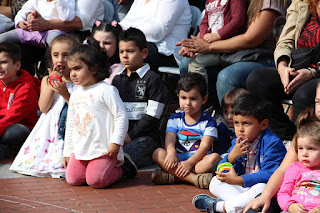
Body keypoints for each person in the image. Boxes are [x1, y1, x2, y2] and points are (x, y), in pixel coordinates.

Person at [177, 0, 289, 107]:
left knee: (227, 76)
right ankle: (203, 114)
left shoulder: (269, 2)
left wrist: (208, 46)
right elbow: (215, 22)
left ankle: (229, 121)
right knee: (186, 64)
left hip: (261, 57)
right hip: (232, 54)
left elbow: (251, 39)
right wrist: (194, 44)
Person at [192, 93, 287, 213]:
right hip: (242, 189)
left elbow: (270, 175)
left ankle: (219, 207)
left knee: (262, 187)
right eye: (236, 123)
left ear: (263, 124)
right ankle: (239, 206)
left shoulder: (272, 143)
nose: (240, 129)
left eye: (246, 123)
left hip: (260, 189)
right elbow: (222, 168)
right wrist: (231, 158)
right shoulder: (237, 143)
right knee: (215, 182)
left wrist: (239, 180)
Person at [246, 0, 320, 141]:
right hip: (298, 66)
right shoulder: (301, 3)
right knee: (258, 79)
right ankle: (287, 138)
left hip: (316, 72)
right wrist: (282, 67)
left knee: (304, 94)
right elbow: (285, 41)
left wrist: (312, 72)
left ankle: (309, 143)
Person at [9, 34, 80, 177]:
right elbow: (43, 108)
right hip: (49, 126)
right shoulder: (47, 79)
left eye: (66, 55)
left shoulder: (79, 81)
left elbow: (78, 109)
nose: (60, 60)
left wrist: (64, 93)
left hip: (69, 126)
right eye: (56, 55)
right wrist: (52, 83)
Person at [244, 82, 320, 213]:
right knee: (258, 208)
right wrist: (266, 195)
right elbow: (282, 170)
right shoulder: (307, 134)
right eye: (318, 102)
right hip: (294, 203)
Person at [63, 44, 128, 188]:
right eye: (71, 69)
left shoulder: (107, 90)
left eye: (77, 68)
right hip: (81, 148)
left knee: (96, 181)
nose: (72, 74)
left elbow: (121, 116)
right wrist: (68, 151)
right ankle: (93, 168)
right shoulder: (75, 94)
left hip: (104, 149)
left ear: (94, 68)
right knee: (73, 179)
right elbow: (71, 124)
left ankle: (123, 170)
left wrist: (116, 143)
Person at [152, 73, 221, 189]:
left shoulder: (209, 122)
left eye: (193, 99)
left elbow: (205, 147)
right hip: (177, 159)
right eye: (184, 98)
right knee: (157, 153)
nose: (188, 103)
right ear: (178, 96)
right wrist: (171, 152)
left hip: (198, 160)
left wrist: (190, 163)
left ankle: (174, 176)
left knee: (215, 158)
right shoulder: (175, 118)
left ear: (204, 99)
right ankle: (195, 179)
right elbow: (170, 138)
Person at [112, 28, 165, 169]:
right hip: (121, 136)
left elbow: (153, 116)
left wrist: (130, 135)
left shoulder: (153, 80)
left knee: (119, 160)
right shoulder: (117, 80)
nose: (125, 56)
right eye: (121, 51)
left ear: (144, 53)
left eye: (130, 51)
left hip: (145, 138)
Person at [188, 0, 246, 84]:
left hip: (226, 48)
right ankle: (193, 94)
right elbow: (204, 23)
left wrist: (218, 35)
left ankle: (200, 95)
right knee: (185, 62)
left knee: (195, 64)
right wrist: (204, 37)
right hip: (210, 45)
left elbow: (238, 20)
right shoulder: (209, 1)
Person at [119, 0, 192, 67]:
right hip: (140, 43)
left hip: (165, 52)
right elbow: (126, 22)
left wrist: (128, 33)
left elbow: (157, 31)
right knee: (112, 42)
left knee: (132, 52)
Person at [0, 42, 40, 160]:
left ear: (17, 65)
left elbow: (12, 117)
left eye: (4, 62)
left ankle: (8, 150)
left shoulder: (26, 88)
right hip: (3, 126)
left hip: (19, 128)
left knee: (16, 131)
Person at [276, 110, 320, 212]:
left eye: (311, 149)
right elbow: (283, 192)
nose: (304, 153)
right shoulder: (295, 168)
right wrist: (290, 206)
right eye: (300, 148)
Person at [0, 0, 76, 48]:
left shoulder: (65, 1)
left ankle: (51, 69)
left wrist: (59, 1)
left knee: (56, 44)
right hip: (31, 30)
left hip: (51, 31)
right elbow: (23, 11)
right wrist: (20, 22)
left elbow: (67, 17)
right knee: (3, 38)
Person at [91, 20, 124, 84]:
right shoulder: (84, 60)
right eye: (97, 42)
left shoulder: (119, 68)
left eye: (107, 43)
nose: (101, 46)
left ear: (117, 44)